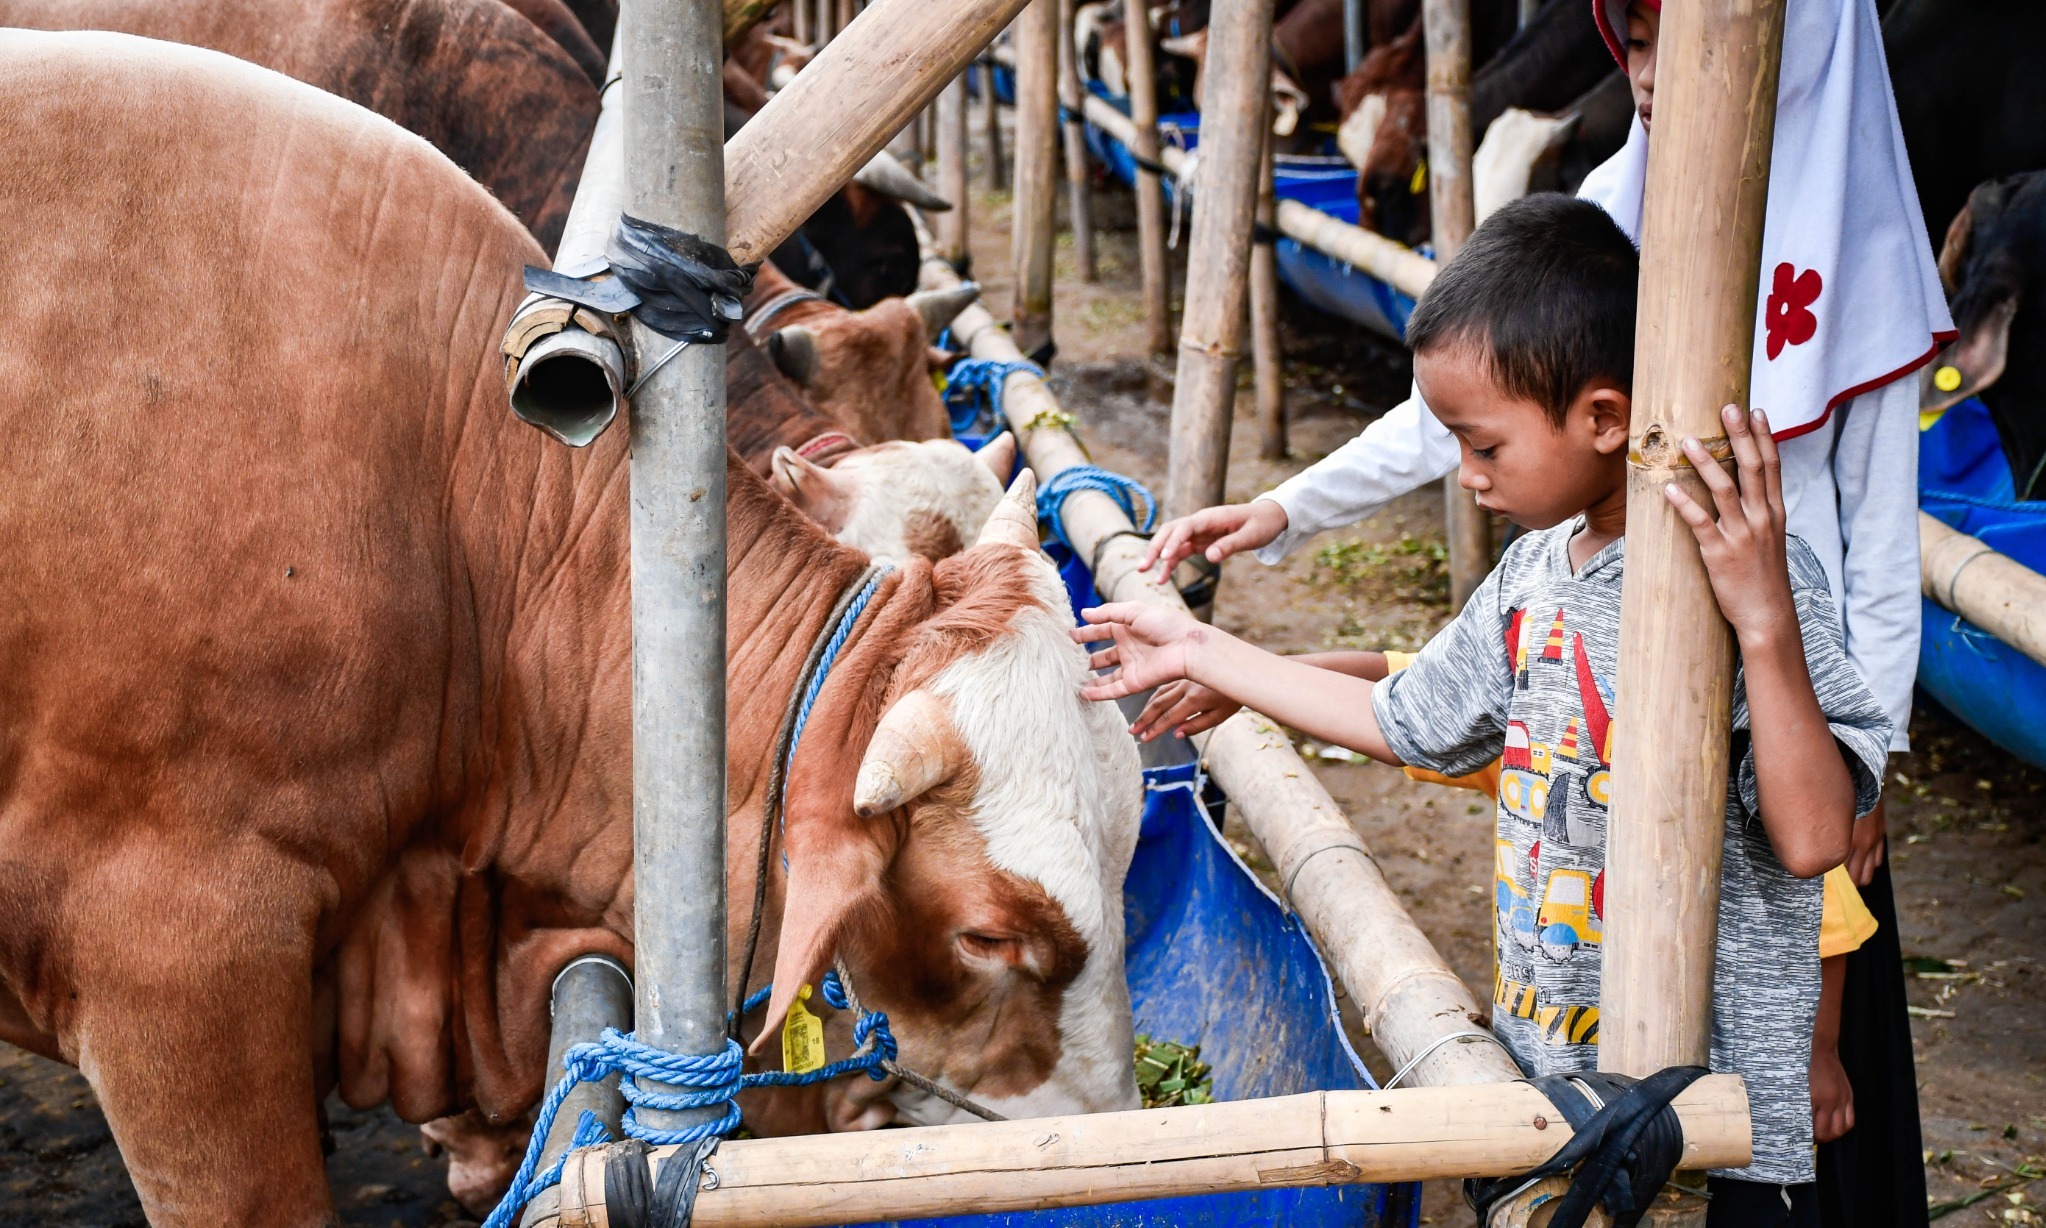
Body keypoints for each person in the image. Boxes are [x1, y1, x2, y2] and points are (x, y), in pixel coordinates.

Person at [1140, 5, 1943, 1219]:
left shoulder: (1853, 275)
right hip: (1564, 1064)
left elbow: (1816, 828)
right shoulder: (1537, 553)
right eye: (1639, 39)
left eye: (1678, 37)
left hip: (1729, 1035)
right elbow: (1413, 696)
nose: (1652, 75)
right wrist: (1248, 596)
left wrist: (1776, 627)